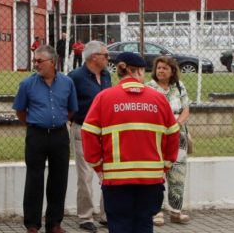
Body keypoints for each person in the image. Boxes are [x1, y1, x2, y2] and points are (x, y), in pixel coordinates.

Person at [81, 52, 180, 233]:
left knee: (119, 225)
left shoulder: (104, 98)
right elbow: (174, 135)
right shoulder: (159, 100)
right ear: (140, 71)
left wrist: (98, 167)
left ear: (120, 71)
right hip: (151, 180)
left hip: (116, 180)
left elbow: (88, 134)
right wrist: (165, 166)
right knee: (144, 224)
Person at [13, 45, 78, 233]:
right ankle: (32, 224)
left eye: (39, 61)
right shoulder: (27, 84)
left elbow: (72, 109)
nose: (36, 64)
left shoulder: (67, 83)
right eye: (35, 61)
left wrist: (57, 122)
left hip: (59, 135)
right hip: (36, 135)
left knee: (59, 179)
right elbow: (20, 111)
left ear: (53, 62)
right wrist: (36, 124)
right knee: (34, 180)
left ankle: (54, 223)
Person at [67, 41, 112, 232]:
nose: (108, 59)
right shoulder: (75, 77)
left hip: (106, 131)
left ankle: (107, 214)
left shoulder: (107, 75)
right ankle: (85, 216)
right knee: (85, 175)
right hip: (84, 130)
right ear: (94, 57)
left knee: (108, 174)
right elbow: (68, 103)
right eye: (105, 55)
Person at [146, 56, 192, 226]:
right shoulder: (149, 88)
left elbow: (186, 109)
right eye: (159, 68)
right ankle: (156, 211)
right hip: (156, 136)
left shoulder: (179, 87)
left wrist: (176, 125)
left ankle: (176, 212)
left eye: (165, 68)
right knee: (156, 175)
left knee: (177, 174)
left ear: (172, 71)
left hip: (178, 137)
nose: (161, 71)